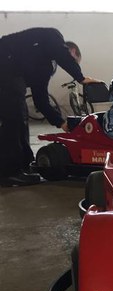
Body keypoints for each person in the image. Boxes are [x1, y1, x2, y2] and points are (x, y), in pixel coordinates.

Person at [0, 27, 99, 186]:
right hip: (4, 62)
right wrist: (80, 77)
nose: (68, 63)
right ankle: (8, 172)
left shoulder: (45, 67)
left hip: (10, 75)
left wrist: (62, 123)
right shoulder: (52, 36)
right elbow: (60, 53)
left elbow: (41, 101)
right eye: (73, 60)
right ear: (71, 51)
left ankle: (24, 163)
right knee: (13, 119)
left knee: (21, 116)